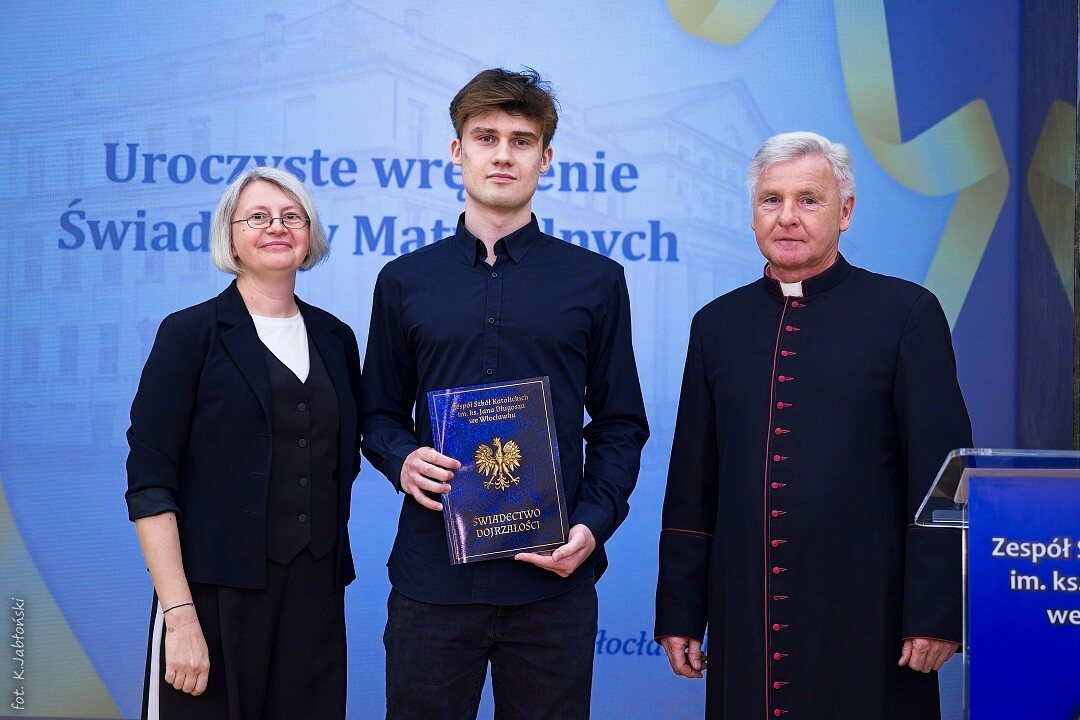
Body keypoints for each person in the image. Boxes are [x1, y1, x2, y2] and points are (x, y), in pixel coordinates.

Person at [359, 68, 649, 720]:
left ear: (545, 158)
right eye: (485, 137)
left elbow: (620, 424)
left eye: (521, 141)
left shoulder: (597, 281)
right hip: (433, 580)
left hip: (552, 583)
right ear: (456, 150)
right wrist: (401, 459)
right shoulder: (404, 281)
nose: (502, 155)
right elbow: (376, 412)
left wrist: (592, 525)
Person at [654, 132, 972, 719]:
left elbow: (945, 475)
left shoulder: (906, 313)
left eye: (809, 200)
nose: (787, 218)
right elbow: (692, 480)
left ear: (845, 211)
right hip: (748, 608)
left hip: (870, 609)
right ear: (752, 214)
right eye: (771, 200)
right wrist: (680, 609)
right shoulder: (717, 325)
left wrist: (937, 611)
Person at [125, 167, 362, 719]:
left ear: (309, 234)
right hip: (210, 599)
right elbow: (151, 483)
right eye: (257, 217)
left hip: (314, 599)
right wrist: (180, 617)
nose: (277, 227)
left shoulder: (337, 338)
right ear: (230, 238)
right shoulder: (189, 335)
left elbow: (341, 463)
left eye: (292, 216)